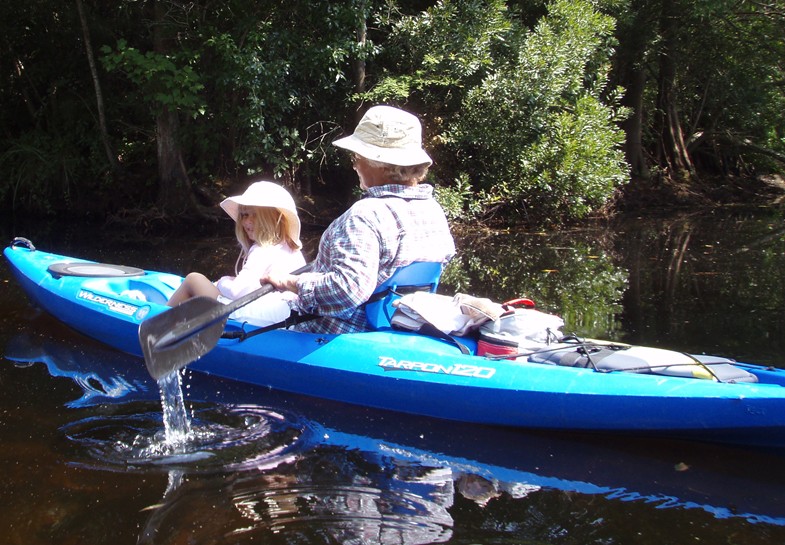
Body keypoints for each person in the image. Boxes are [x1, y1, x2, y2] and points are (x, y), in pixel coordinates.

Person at [262, 105, 456, 334]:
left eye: (356, 158)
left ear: (378, 163)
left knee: (234, 316)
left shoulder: (365, 215)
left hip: (332, 330)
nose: (355, 166)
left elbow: (347, 289)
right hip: (398, 326)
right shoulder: (432, 210)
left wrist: (288, 282)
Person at [167, 181, 306, 326]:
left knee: (193, 280)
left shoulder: (262, 249)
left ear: (273, 219)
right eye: (244, 215)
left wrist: (222, 282)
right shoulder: (290, 246)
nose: (247, 221)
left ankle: (157, 324)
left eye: (255, 215)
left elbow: (237, 292)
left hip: (262, 318)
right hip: (288, 314)